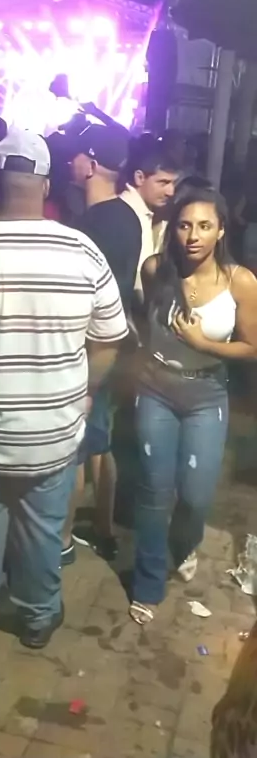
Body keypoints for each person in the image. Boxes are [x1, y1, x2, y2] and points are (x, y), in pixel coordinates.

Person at [0, 128, 128, 664]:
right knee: (42, 531)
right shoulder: (81, 250)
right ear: (45, 185)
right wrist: (84, 392)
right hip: (51, 432)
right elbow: (110, 338)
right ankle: (37, 619)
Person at [130, 183, 257, 625]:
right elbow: (146, 323)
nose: (193, 236)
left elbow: (252, 346)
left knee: (196, 494)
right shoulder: (155, 269)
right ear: (173, 229)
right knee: (153, 489)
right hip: (156, 390)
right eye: (184, 225)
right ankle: (147, 582)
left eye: (204, 226)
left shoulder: (240, 281)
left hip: (207, 395)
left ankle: (184, 544)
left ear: (221, 230)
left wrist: (204, 345)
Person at [61, 123, 142, 564]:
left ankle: (62, 539)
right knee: (101, 440)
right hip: (116, 340)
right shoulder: (127, 216)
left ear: (90, 164)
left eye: (76, 155)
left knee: (75, 448)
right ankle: (105, 530)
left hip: (90, 347)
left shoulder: (90, 225)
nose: (70, 161)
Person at [120, 141, 180, 297]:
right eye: (163, 183)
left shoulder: (155, 214)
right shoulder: (124, 216)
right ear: (139, 178)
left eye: (173, 183)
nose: (171, 191)